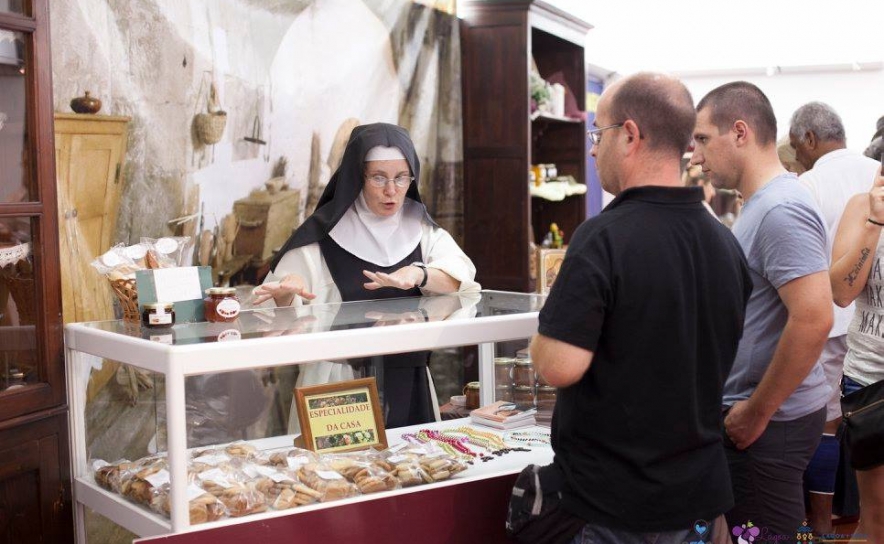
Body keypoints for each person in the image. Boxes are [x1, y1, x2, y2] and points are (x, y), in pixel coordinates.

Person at [529, 72, 751, 543]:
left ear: (629, 135)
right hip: (699, 498)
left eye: (598, 134)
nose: (593, 151)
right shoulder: (724, 243)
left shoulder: (602, 238)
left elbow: (558, 366)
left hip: (617, 505)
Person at [252, 122, 479, 428]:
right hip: (339, 384)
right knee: (343, 460)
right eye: (379, 178)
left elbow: (463, 280)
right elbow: (276, 308)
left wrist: (419, 274)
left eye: (401, 177)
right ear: (357, 177)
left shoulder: (422, 230)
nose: (391, 190)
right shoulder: (321, 238)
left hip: (409, 378)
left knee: (414, 458)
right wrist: (288, 294)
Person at [691, 82, 834, 537]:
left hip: (768, 424)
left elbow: (814, 318)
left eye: (702, 139)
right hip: (764, 418)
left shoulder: (780, 209)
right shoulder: (764, 204)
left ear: (740, 132)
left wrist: (756, 411)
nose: (696, 156)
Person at [788, 101, 880, 534]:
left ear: (808, 139)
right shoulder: (870, 177)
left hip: (827, 324)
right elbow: (844, 285)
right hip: (861, 338)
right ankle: (835, 523)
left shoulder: (809, 183)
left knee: (826, 424)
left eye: (796, 147)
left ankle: (823, 524)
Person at [830, 167, 884, 543]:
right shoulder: (862, 207)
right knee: (876, 519)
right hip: (870, 382)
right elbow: (841, 292)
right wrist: (874, 222)